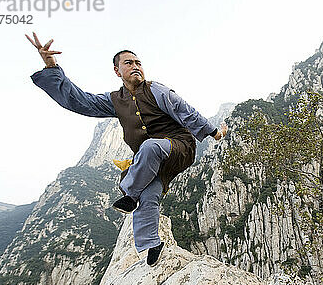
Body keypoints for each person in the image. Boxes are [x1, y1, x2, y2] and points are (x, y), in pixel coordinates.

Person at [26, 32, 227, 267]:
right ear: (117, 70)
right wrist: (52, 67)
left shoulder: (156, 90)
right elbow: (80, 101)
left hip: (178, 147)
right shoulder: (115, 100)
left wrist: (214, 132)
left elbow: (185, 110)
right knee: (149, 194)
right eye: (128, 63)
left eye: (138, 62)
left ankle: (129, 192)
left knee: (150, 147)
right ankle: (151, 245)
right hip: (150, 160)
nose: (135, 66)